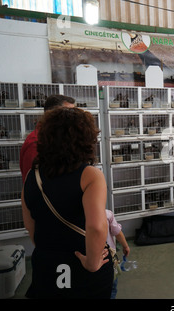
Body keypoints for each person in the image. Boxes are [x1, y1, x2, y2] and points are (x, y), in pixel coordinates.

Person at [21, 107, 113, 299]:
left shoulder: (32, 175)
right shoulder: (90, 175)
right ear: (86, 139)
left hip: (46, 264)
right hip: (81, 265)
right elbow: (97, 226)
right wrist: (92, 262)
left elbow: (31, 227)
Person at [20, 94, 75, 182]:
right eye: (68, 113)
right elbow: (32, 183)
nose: (74, 117)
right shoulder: (36, 143)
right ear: (52, 114)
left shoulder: (56, 136)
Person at [106, 209, 130, 299]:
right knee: (112, 287)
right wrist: (125, 246)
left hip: (92, 259)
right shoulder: (107, 214)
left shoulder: (80, 217)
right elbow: (118, 233)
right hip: (111, 258)